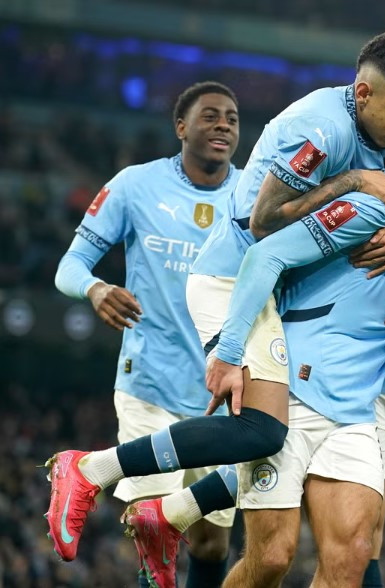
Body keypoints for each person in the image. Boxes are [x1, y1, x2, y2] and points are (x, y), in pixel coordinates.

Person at [45, 32, 385, 588]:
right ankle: (89, 469)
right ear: (364, 92)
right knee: (264, 430)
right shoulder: (322, 130)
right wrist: (354, 181)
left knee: (275, 436)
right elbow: (264, 223)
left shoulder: (370, 126)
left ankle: (168, 514)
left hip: (262, 289)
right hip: (231, 280)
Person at [210, 85, 385, 587]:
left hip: (357, 408)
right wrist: (229, 353)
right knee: (270, 559)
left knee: (354, 557)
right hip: (293, 391)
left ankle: (174, 508)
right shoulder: (372, 206)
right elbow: (264, 252)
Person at [50, 81, 241, 587]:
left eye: (232, 118)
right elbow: (70, 266)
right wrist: (94, 289)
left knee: (211, 543)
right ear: (181, 126)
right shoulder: (135, 185)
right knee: (153, 530)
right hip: (150, 381)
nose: (223, 125)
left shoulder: (252, 196)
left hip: (220, 390)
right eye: (210, 116)